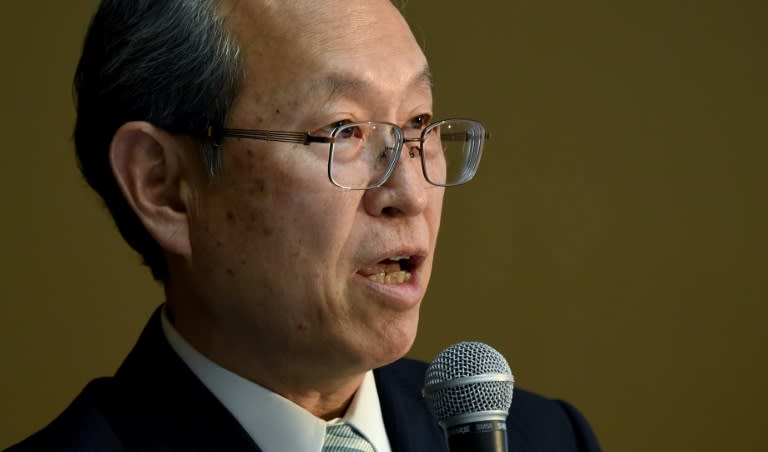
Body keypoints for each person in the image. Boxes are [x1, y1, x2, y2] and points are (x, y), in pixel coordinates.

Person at [8, 0, 601, 450]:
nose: (411, 192)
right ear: (163, 186)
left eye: (419, 120)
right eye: (344, 131)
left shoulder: (543, 436)